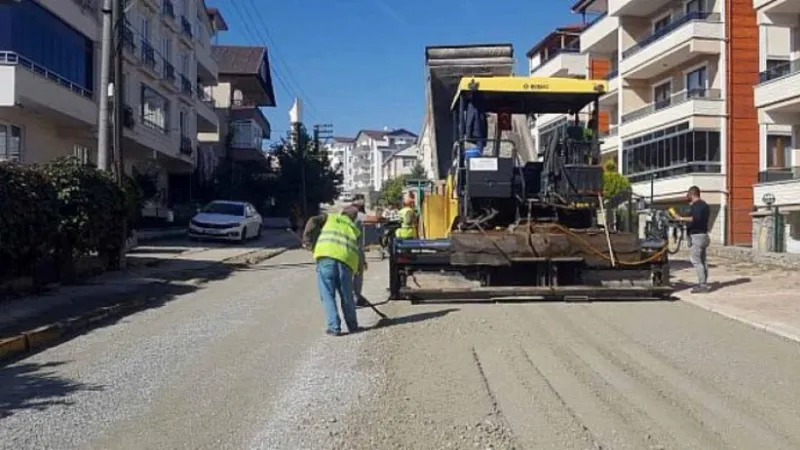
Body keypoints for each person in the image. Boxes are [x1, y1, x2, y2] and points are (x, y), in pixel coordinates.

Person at [302, 205, 362, 335]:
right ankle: (353, 326)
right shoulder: (354, 230)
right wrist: (359, 269)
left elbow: (312, 220)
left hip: (326, 259)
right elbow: (359, 252)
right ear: (354, 218)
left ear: (342, 213)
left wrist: (307, 241)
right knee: (347, 296)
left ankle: (334, 327)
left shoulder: (330, 217)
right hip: (346, 263)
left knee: (328, 295)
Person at [673, 185, 711, 293]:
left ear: (692, 194)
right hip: (704, 235)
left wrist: (680, 218)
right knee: (703, 261)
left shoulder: (697, 205)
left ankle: (702, 285)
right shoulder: (705, 205)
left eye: (688, 195)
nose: (687, 197)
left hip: (697, 236)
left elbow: (695, 219)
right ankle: (704, 282)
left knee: (696, 260)